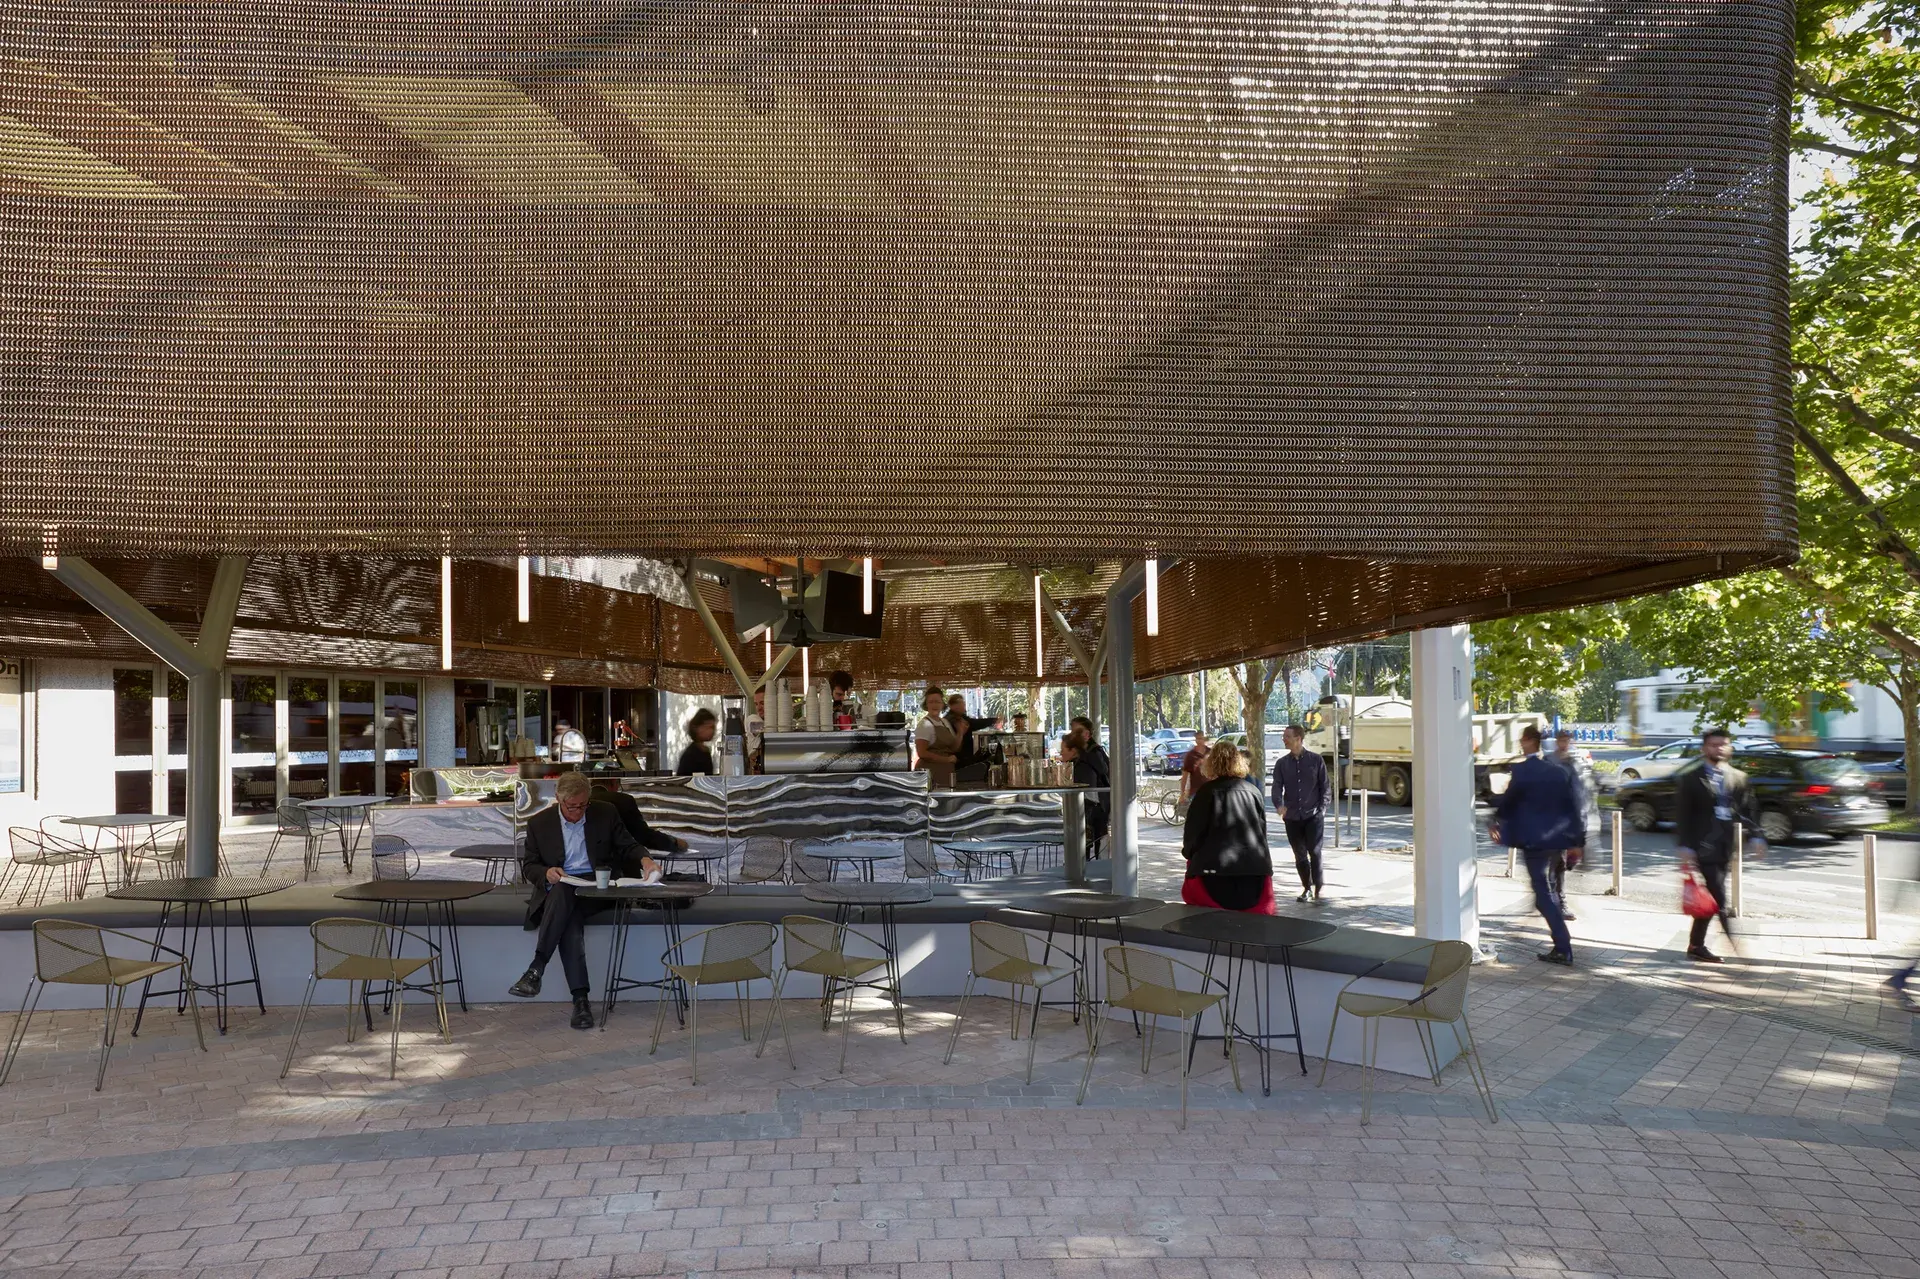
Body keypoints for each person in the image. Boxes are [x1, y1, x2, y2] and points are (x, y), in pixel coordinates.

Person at [511, 772, 661, 1028]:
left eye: (583, 806)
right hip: (561, 886)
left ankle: (536, 969)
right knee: (566, 909)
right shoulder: (539, 823)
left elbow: (628, 845)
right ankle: (581, 1002)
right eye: (572, 807)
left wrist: (645, 859)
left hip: (598, 887)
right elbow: (530, 867)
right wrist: (547, 873)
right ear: (559, 799)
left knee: (563, 902)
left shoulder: (605, 813)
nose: (578, 812)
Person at [1490, 724, 1583, 966]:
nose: (1520, 743)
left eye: (1522, 739)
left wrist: (1494, 820)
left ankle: (1563, 947)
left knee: (1542, 893)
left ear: (1530, 741)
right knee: (1545, 889)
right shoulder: (1557, 770)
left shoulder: (1523, 771)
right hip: (1557, 840)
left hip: (1534, 841)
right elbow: (1572, 807)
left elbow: (1508, 803)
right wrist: (1576, 841)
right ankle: (1561, 943)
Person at [1673, 727, 1763, 963]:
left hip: (1724, 845)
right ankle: (1735, 946)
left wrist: (1756, 835)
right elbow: (1684, 815)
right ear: (1704, 748)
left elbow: (1748, 809)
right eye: (1714, 745)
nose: (1719, 749)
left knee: (1712, 897)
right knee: (1720, 898)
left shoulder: (1738, 777)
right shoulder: (1690, 778)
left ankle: (1695, 945)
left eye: (1723, 744)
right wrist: (1685, 846)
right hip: (1701, 846)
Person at [1180, 740, 1275, 913]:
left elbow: (1193, 833)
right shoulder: (1253, 791)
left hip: (1213, 875)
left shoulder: (1206, 792)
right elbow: (1262, 832)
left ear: (1212, 763)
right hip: (1255, 874)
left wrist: (1190, 854)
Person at [1271, 724, 1332, 903]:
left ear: (1298, 739)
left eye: (1287, 736)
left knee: (1315, 850)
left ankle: (1319, 887)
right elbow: (1276, 786)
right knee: (1299, 854)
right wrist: (1279, 805)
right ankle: (1307, 887)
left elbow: (1325, 787)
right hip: (1292, 817)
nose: (1284, 739)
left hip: (1313, 815)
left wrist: (1322, 809)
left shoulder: (1316, 760)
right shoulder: (1282, 764)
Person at [1546, 729, 1599, 921]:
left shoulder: (1574, 763)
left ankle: (1557, 901)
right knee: (1555, 864)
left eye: (1567, 741)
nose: (1564, 744)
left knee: (1560, 865)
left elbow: (1580, 796)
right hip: (1551, 823)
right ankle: (1557, 902)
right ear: (1557, 741)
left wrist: (1581, 828)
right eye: (1561, 740)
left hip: (1567, 824)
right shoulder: (1549, 762)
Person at [1061, 730, 1110, 852]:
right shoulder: (1080, 762)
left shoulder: (1080, 766)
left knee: (1088, 849)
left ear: (1073, 751)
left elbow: (1077, 789)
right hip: (1095, 809)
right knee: (1093, 848)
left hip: (1091, 811)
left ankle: (1084, 868)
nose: (1060, 753)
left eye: (1063, 750)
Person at [914, 687, 960, 788]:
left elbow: (954, 748)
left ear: (942, 704)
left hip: (946, 773)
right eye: (931, 702)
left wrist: (960, 732)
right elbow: (922, 753)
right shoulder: (924, 725)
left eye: (937, 702)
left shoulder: (945, 722)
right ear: (926, 705)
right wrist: (946, 760)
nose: (934, 705)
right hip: (930, 774)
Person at [676, 708, 717, 775]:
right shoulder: (690, 755)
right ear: (697, 728)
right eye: (709, 727)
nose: (712, 731)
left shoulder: (705, 752)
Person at [1179, 730, 1212, 804]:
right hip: (1196, 792)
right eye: (1197, 739)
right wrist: (1182, 793)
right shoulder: (1190, 755)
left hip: (1210, 790)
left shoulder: (1211, 753)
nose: (1199, 741)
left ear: (1205, 739)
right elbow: (1185, 775)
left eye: (1201, 738)